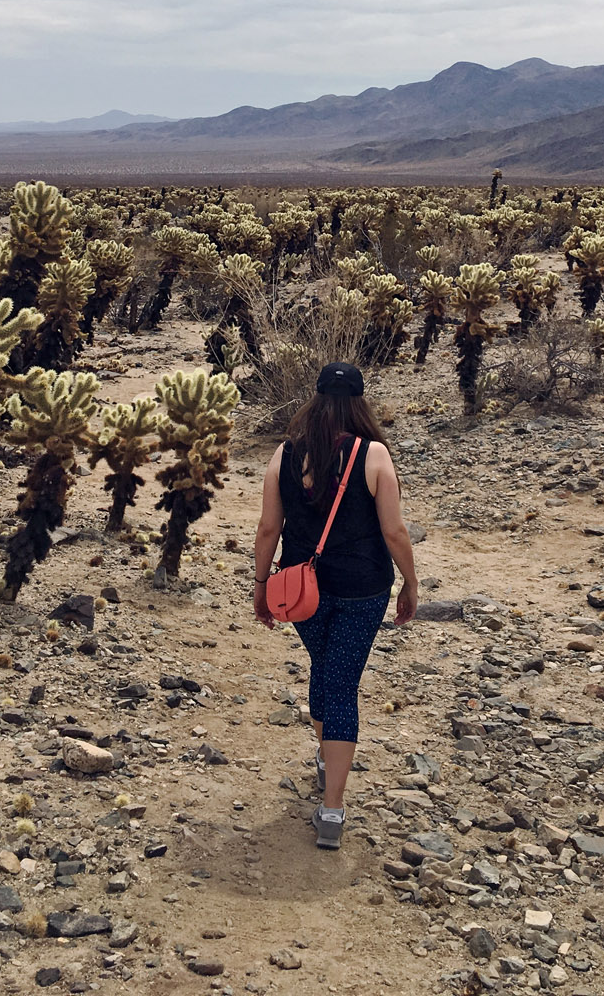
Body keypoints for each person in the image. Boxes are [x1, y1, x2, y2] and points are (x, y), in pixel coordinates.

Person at [252, 361, 418, 850]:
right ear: (359, 403)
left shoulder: (284, 455)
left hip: (302, 590)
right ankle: (332, 809)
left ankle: (327, 759)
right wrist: (411, 582)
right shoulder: (375, 455)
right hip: (363, 589)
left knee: (325, 668)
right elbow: (394, 530)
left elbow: (267, 529)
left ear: (316, 400)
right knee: (341, 682)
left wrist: (261, 584)